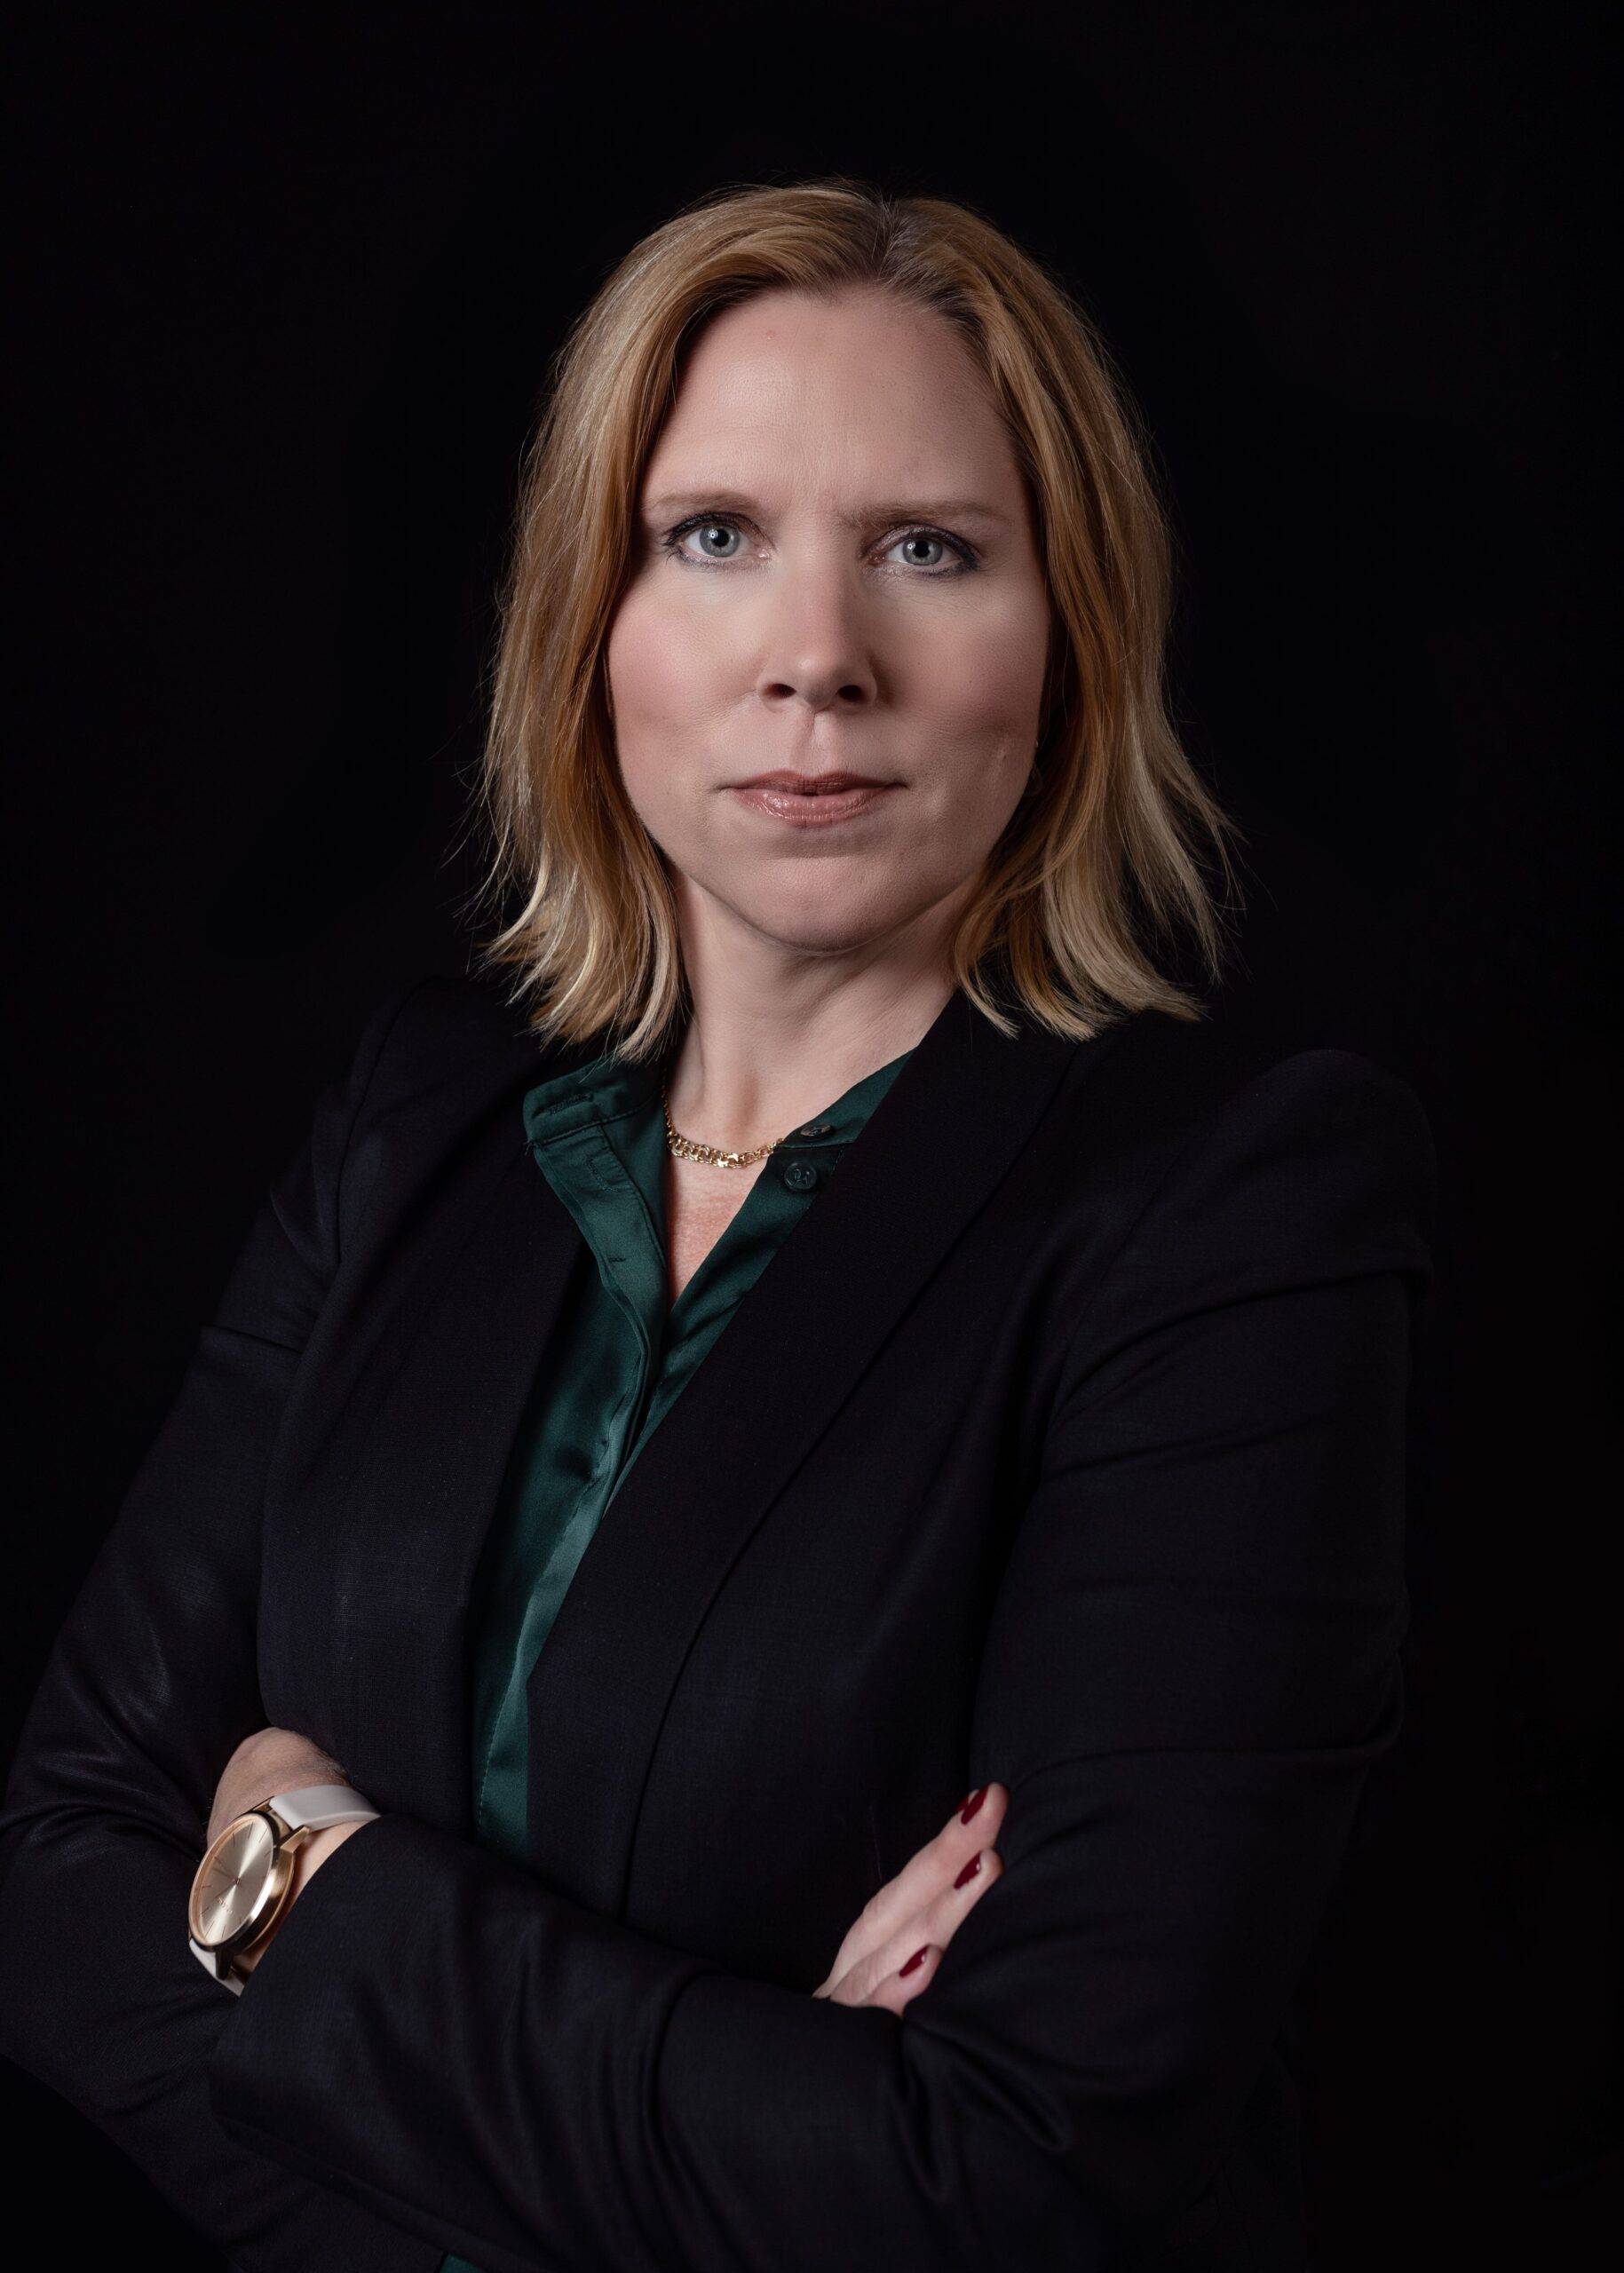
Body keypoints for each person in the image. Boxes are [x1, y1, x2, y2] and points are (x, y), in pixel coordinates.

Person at [0, 178, 1435, 2271]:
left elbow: (1010, 2171)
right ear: (591, 619)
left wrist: (305, 1882)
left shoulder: (1234, 1216)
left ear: (1070, 638)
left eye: (930, 549)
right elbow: (58, 1877)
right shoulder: (419, 1119)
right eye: (714, 536)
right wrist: (747, 2109)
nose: (817, 659)